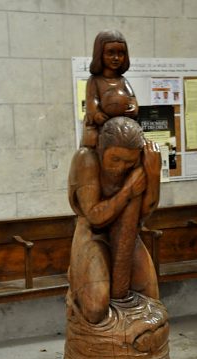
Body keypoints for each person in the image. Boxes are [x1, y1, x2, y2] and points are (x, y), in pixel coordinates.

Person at [68, 117, 161, 324]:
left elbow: (144, 212)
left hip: (125, 233)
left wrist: (153, 175)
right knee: (95, 309)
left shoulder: (140, 161)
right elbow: (94, 216)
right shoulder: (86, 159)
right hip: (93, 233)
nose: (121, 168)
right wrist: (127, 190)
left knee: (151, 300)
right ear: (102, 149)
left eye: (129, 162)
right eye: (115, 160)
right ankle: (77, 283)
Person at [81, 30, 138, 147]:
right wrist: (96, 114)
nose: (116, 58)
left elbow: (131, 98)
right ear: (100, 54)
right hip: (101, 125)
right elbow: (92, 101)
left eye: (120, 53)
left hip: (121, 125)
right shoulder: (94, 80)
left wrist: (133, 107)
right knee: (93, 142)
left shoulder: (122, 81)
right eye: (110, 53)